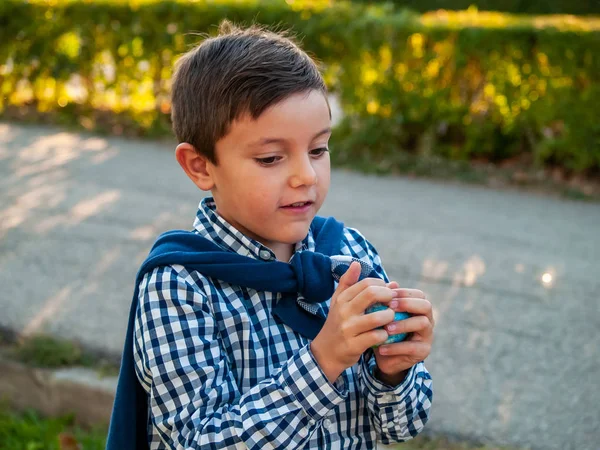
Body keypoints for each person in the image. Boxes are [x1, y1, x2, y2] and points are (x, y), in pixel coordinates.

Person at [106, 21, 434, 450]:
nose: (305, 176)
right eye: (271, 158)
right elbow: (200, 441)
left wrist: (395, 370)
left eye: (318, 150)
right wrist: (324, 361)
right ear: (201, 166)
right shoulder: (179, 286)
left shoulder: (349, 253)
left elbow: (399, 427)